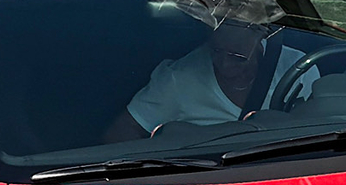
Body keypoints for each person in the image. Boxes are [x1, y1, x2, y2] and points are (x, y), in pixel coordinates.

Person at [104, 15, 302, 141]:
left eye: (237, 57)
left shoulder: (297, 67)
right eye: (216, 51)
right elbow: (123, 130)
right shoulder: (179, 79)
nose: (224, 65)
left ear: (262, 38)